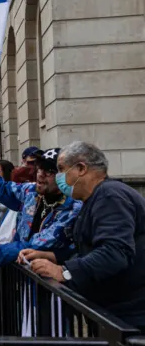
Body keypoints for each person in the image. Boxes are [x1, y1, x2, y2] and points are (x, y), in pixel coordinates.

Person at [23, 141, 145, 331]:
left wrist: (63, 272)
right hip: (115, 313)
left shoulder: (110, 196)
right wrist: (54, 257)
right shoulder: (95, 199)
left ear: (81, 168)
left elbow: (115, 253)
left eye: (61, 169)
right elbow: (91, 248)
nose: (59, 177)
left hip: (130, 319)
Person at [0, 146, 81, 266]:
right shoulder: (31, 191)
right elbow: (2, 189)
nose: (41, 174)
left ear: (64, 176)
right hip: (25, 275)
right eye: (40, 168)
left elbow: (37, 244)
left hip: (50, 280)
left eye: (49, 171)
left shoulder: (72, 208)